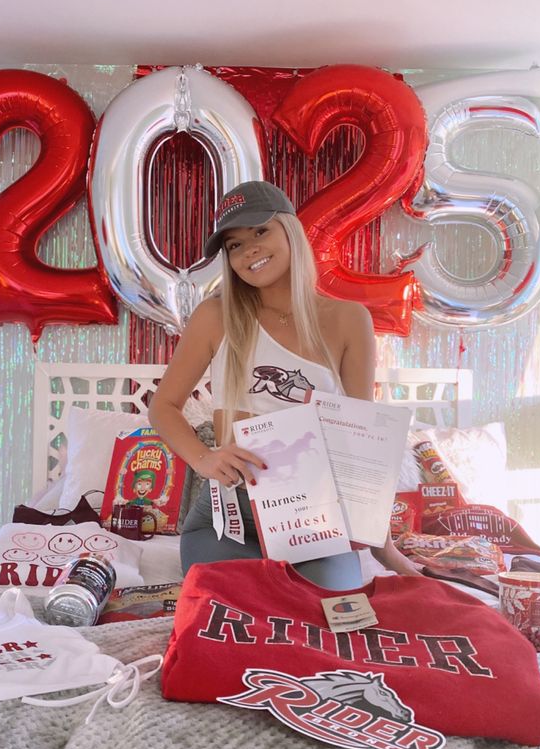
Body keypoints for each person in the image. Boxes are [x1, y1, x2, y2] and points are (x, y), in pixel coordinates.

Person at [148, 180, 421, 588]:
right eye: (235, 246)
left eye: (261, 232)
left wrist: (384, 548)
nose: (250, 250)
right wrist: (204, 459)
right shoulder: (215, 316)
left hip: (314, 514)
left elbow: (360, 444)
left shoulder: (349, 320)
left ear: (290, 231)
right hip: (228, 515)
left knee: (324, 620)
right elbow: (163, 407)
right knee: (233, 615)